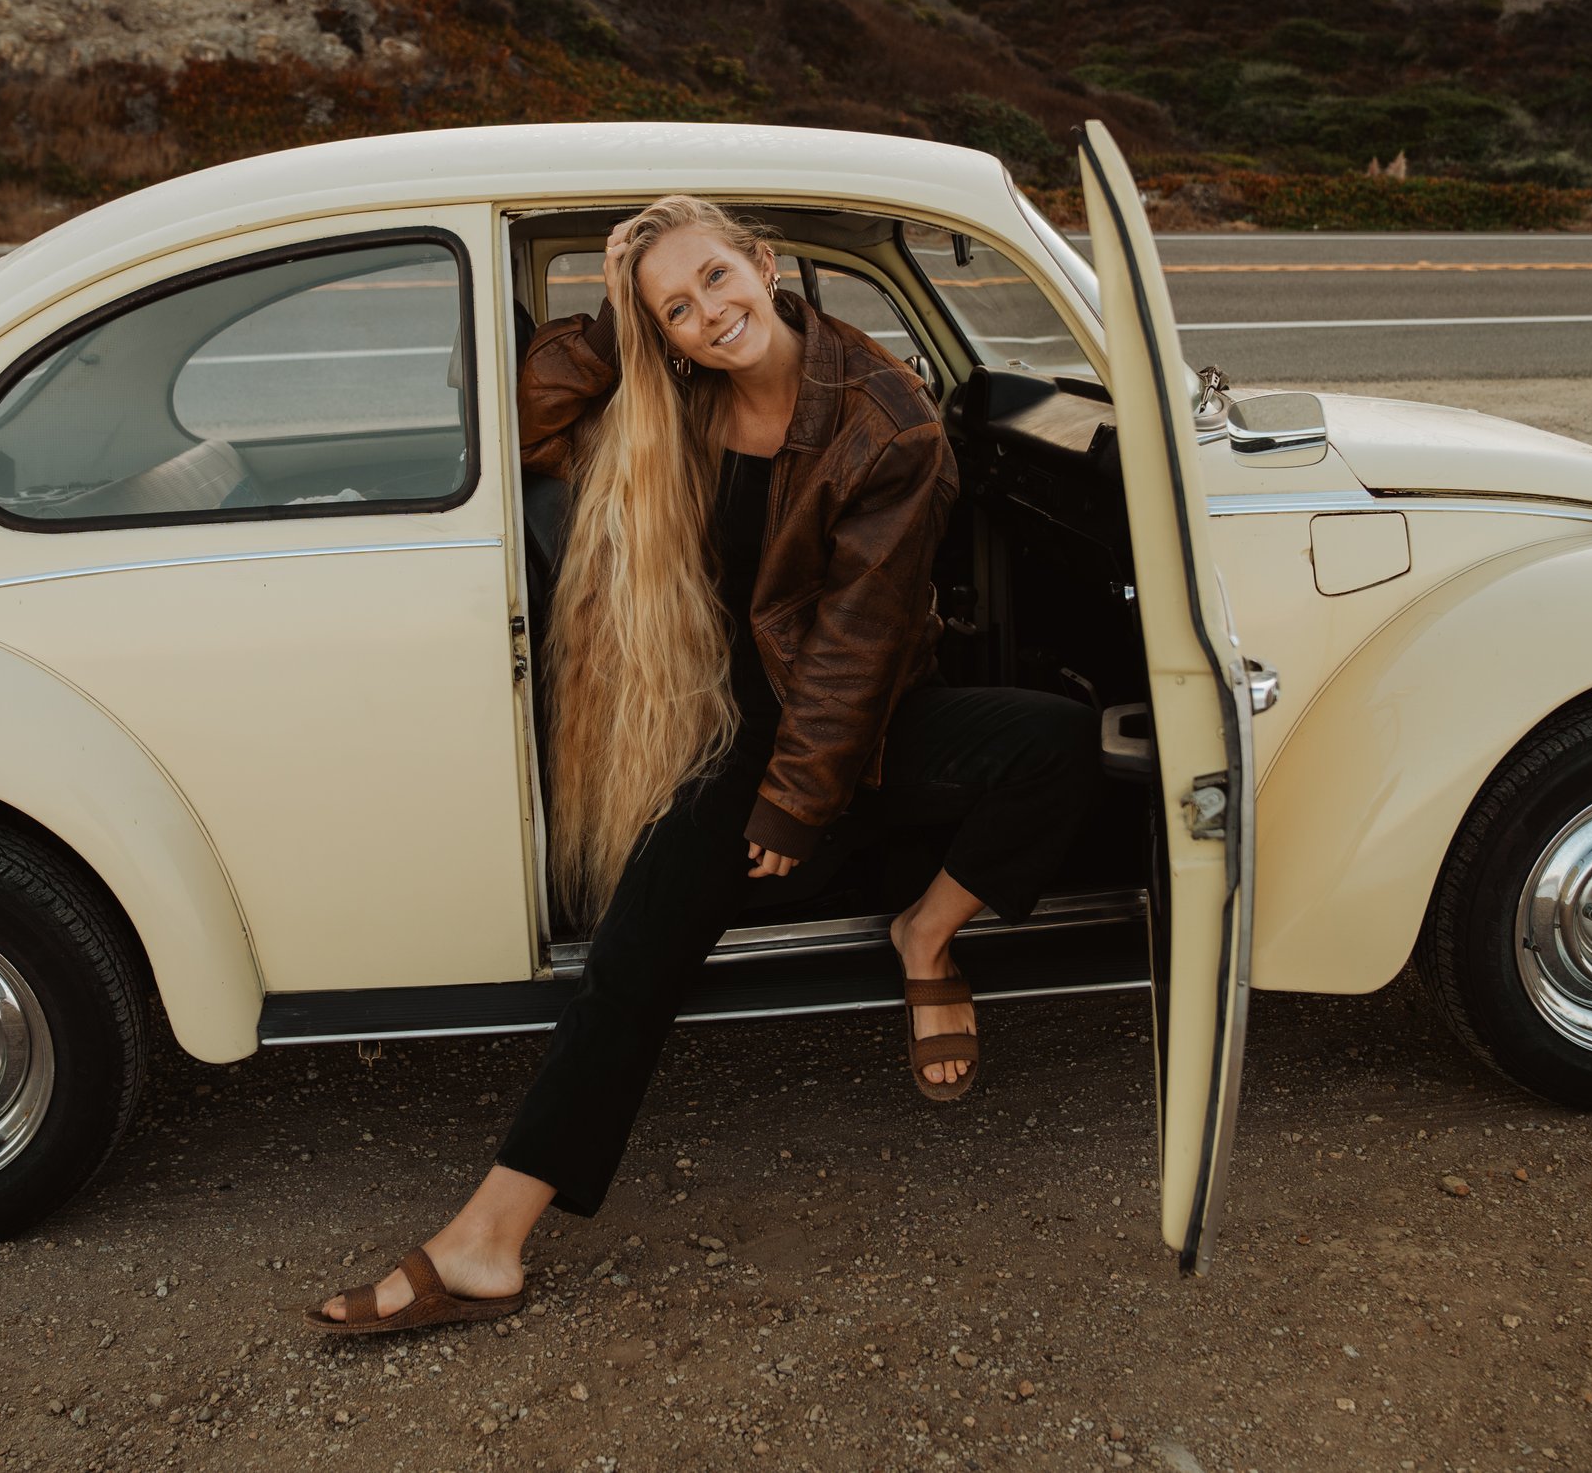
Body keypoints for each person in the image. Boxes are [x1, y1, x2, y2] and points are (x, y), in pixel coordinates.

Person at [306, 196, 1099, 1335]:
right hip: (720, 715)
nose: (709, 314)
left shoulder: (890, 421)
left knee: (1058, 739)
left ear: (765, 265)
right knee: (641, 943)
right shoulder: (675, 391)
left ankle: (925, 935)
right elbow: (520, 414)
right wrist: (619, 319)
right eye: (677, 308)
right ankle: (486, 1239)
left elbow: (859, 645)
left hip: (851, 716)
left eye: (717, 280)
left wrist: (795, 798)